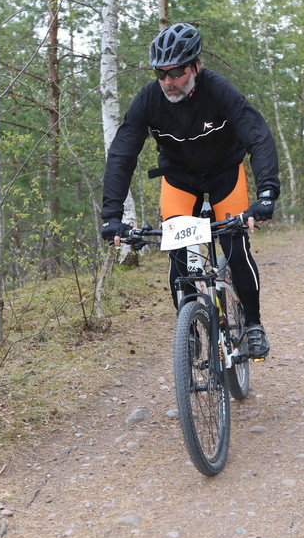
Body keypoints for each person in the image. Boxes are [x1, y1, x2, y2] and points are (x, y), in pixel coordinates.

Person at [100, 22, 280, 360]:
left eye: (177, 72)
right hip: (180, 179)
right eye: (160, 73)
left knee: (236, 247)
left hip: (225, 175)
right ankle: (190, 330)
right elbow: (122, 154)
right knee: (178, 254)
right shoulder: (149, 100)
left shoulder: (218, 91)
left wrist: (267, 193)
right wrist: (112, 216)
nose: (168, 81)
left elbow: (257, 135)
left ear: (195, 66)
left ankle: (253, 324)